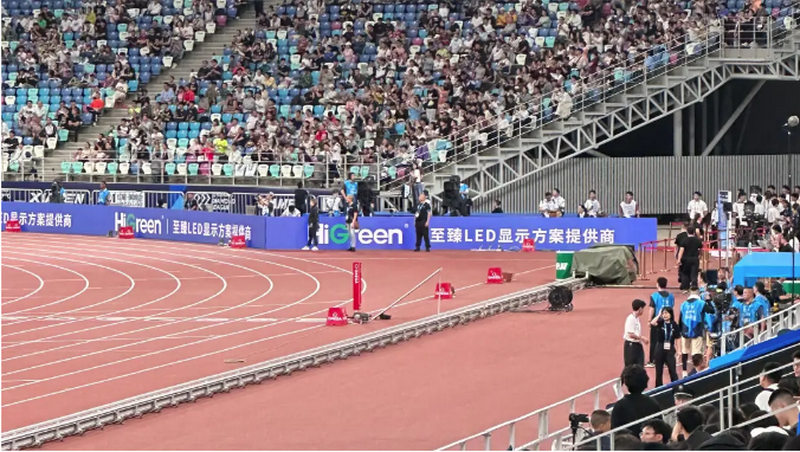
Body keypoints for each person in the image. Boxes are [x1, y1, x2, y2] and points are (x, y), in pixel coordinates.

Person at [610, 365, 661, 437]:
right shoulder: (653, 403)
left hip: (627, 442)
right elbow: (660, 426)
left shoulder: (619, 406)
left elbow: (614, 431)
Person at [679, 286, 712, 377]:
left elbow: (680, 319)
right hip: (697, 331)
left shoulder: (683, 304)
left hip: (685, 331)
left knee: (684, 351)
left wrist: (680, 331)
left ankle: (684, 372)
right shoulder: (701, 303)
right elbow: (711, 310)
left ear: (690, 292)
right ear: (698, 292)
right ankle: (696, 373)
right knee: (696, 354)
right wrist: (708, 300)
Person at [647, 277, 675, 367]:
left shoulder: (654, 296)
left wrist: (649, 320)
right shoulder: (671, 296)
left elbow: (652, 309)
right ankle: (666, 360)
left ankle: (653, 360)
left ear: (657, 284)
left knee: (655, 341)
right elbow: (672, 306)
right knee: (667, 340)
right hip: (668, 321)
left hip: (657, 321)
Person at [653, 307, 679, 388]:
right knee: (659, 371)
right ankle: (658, 389)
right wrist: (659, 315)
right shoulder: (660, 323)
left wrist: (679, 350)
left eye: (666, 313)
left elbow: (678, 338)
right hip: (660, 347)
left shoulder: (674, 325)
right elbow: (652, 323)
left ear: (671, 314)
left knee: (672, 370)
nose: (665, 315)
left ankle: (676, 387)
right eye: (663, 313)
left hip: (670, 348)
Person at [676, 226, 703, 292]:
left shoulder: (684, 240)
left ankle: (685, 288)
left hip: (685, 259)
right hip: (695, 259)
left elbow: (681, 251)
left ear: (687, 232)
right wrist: (700, 255)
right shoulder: (698, 240)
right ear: (694, 232)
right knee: (694, 273)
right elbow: (700, 250)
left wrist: (679, 259)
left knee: (685, 273)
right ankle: (694, 287)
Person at [624, 299, 649, 367]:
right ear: (640, 309)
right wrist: (642, 338)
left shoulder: (636, 318)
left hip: (637, 344)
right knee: (630, 366)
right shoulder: (631, 319)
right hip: (631, 345)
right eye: (643, 309)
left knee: (639, 365)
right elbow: (631, 334)